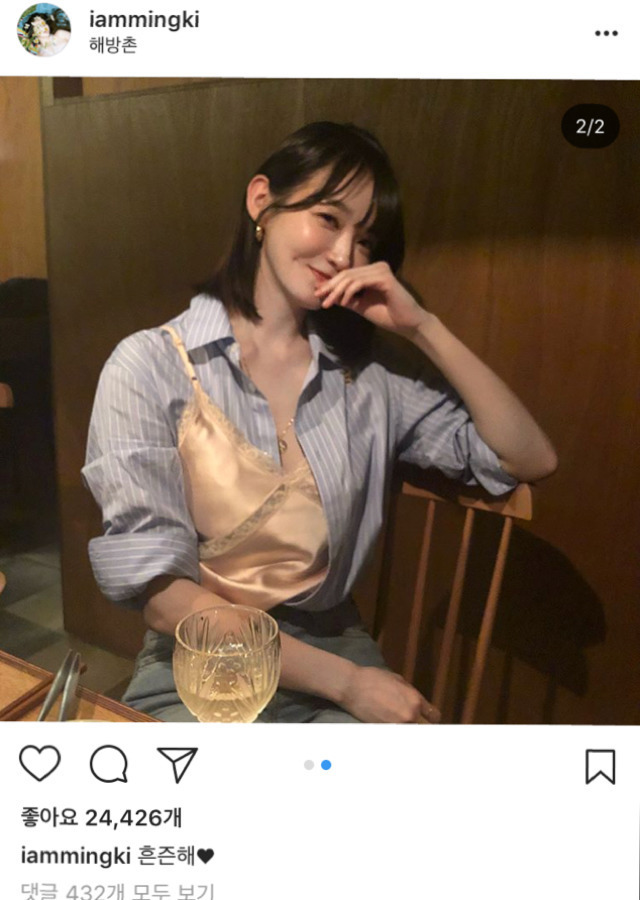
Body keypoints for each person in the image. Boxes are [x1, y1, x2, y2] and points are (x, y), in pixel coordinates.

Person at [83, 121, 557, 723]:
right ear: (262, 201)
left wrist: (423, 328)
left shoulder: (372, 375)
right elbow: (162, 597)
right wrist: (348, 685)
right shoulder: (150, 364)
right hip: (202, 657)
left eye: (366, 240)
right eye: (329, 219)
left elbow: (530, 458)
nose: (342, 255)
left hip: (336, 641)